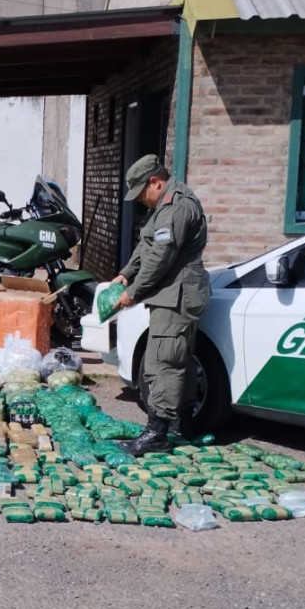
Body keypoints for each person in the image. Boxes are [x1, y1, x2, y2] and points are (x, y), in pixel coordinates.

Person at [106, 153, 210, 455]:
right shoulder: (163, 205)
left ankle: (157, 433)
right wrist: (126, 274)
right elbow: (147, 246)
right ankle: (182, 425)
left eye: (141, 193)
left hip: (177, 296)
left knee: (162, 364)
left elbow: (160, 258)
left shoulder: (178, 206)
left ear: (155, 181)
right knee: (179, 361)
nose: (141, 200)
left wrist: (134, 292)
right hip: (172, 295)